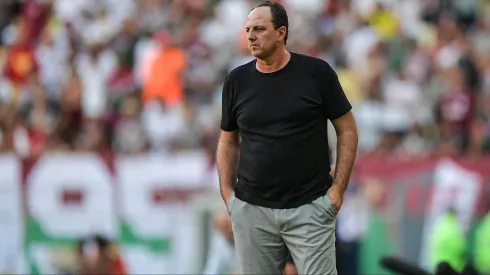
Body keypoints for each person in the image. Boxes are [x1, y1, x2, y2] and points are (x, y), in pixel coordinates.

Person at [216, 1, 358, 274]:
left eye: (259, 28)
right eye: (248, 29)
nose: (251, 35)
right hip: (252, 209)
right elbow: (228, 140)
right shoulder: (236, 81)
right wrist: (228, 194)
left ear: (281, 32)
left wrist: (337, 191)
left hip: (310, 207)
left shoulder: (316, 73)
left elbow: (348, 129)